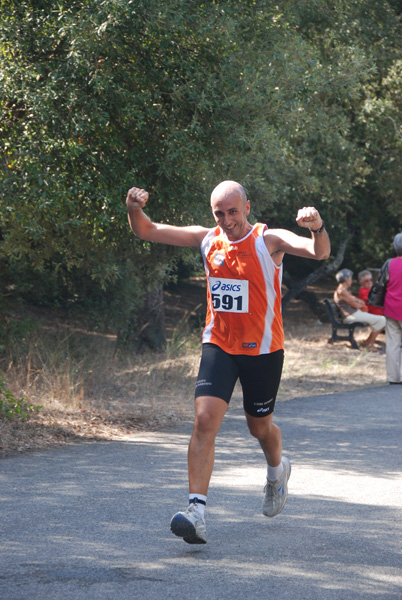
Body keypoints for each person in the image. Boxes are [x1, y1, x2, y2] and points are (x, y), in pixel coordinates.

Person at [126, 180, 330, 545]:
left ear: (247, 208)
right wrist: (133, 208)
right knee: (204, 420)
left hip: (264, 352)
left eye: (232, 211)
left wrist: (316, 227)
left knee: (259, 429)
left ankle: (276, 471)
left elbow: (319, 253)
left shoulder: (269, 240)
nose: (226, 220)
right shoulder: (208, 239)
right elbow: (147, 230)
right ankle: (196, 512)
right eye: (219, 213)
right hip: (219, 345)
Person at [334, 269, 386, 349]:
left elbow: (358, 301)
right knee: (382, 320)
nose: (351, 280)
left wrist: (358, 302)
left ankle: (368, 342)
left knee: (382, 320)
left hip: (355, 314)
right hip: (351, 315)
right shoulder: (341, 291)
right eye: (350, 278)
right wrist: (358, 302)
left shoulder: (344, 290)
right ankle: (369, 344)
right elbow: (357, 305)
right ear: (347, 279)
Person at [382, 233, 402, 385]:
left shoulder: (389, 263)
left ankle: (393, 378)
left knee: (392, 343)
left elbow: (381, 282)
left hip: (391, 307)